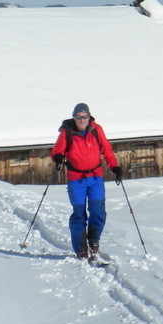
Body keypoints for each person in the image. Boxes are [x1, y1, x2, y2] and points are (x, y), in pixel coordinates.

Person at [51, 103, 123, 259]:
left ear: (89, 117)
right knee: (79, 213)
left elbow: (107, 150)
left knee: (98, 211)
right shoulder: (67, 132)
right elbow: (57, 151)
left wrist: (115, 167)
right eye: (79, 117)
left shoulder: (96, 130)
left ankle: (93, 240)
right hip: (76, 179)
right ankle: (81, 248)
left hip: (96, 177)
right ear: (74, 118)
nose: (82, 120)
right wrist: (58, 157)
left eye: (85, 117)